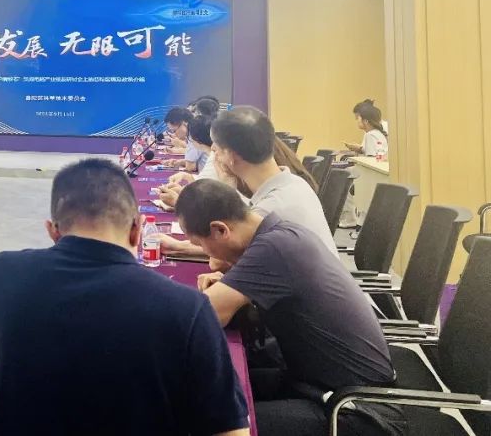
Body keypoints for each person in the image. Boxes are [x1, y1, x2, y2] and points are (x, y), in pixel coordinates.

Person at [0, 159, 250, 436]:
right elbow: (230, 431)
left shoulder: (1, 272)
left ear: (53, 231)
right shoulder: (188, 308)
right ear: (137, 230)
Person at [176, 180, 403, 436]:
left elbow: (201, 317)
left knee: (206, 422)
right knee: (209, 391)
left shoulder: (274, 248)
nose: (205, 253)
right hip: (318, 384)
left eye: (199, 243)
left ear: (220, 230)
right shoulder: (281, 232)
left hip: (356, 412)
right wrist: (231, 283)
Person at [158, 107, 337, 260]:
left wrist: (177, 246)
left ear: (231, 155)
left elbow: (221, 254)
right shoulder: (294, 183)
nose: (213, 152)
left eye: (216, 148)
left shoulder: (269, 211)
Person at [159, 115, 217, 207]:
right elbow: (206, 181)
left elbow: (209, 200)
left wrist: (178, 202)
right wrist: (185, 179)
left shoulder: (217, 159)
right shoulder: (212, 156)